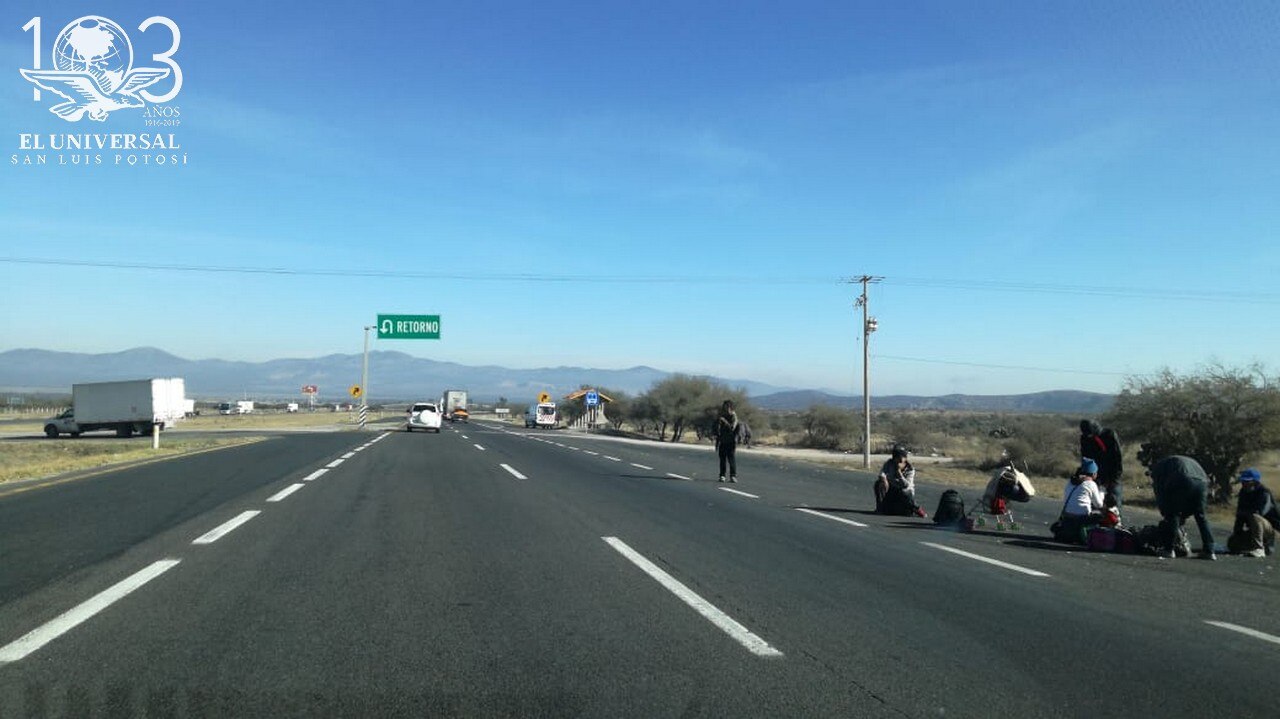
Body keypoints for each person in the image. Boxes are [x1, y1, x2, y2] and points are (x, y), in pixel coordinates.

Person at [1149, 455, 1217, 560]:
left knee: (1173, 513)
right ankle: (1210, 550)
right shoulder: (1175, 461)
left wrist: (1166, 513)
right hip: (1202, 482)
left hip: (1182, 477)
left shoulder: (1158, 469)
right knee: (1201, 516)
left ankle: (1169, 549)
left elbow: (1161, 494)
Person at [1227, 469, 1280, 557]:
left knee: (1255, 516)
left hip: (1267, 529)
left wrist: (1245, 513)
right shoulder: (1243, 493)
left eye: (1247, 481)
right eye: (1243, 481)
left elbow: (1260, 512)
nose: (1244, 483)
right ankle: (1251, 546)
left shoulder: (1264, 493)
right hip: (1253, 529)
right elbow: (1239, 515)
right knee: (1232, 545)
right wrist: (1237, 534)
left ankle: (1259, 548)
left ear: (1255, 482)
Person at [1053, 458, 1106, 544]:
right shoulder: (1091, 484)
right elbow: (1099, 504)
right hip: (1081, 519)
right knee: (1100, 516)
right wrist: (1102, 492)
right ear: (1093, 473)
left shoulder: (1071, 481)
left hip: (1067, 518)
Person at [1080, 420, 1124, 512]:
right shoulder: (1085, 438)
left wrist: (1114, 479)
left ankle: (1116, 522)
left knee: (1113, 502)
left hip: (1112, 474)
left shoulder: (1109, 435)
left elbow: (1117, 458)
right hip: (1095, 474)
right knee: (1094, 503)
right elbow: (1086, 458)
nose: (1088, 436)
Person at [875, 445, 927, 518]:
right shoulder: (889, 463)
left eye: (900, 457)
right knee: (878, 484)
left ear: (905, 458)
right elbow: (882, 473)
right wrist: (884, 480)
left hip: (904, 493)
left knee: (905, 493)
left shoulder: (910, 469)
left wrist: (899, 473)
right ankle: (880, 508)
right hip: (892, 489)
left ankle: (916, 508)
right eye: (896, 457)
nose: (898, 460)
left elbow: (906, 485)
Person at [715, 400, 739, 483]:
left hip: (731, 441)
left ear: (730, 408)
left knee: (731, 459)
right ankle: (722, 475)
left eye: (727, 407)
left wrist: (724, 421)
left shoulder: (733, 416)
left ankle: (733, 476)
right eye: (724, 407)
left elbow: (732, 428)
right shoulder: (721, 415)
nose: (725, 409)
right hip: (722, 441)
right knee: (722, 459)